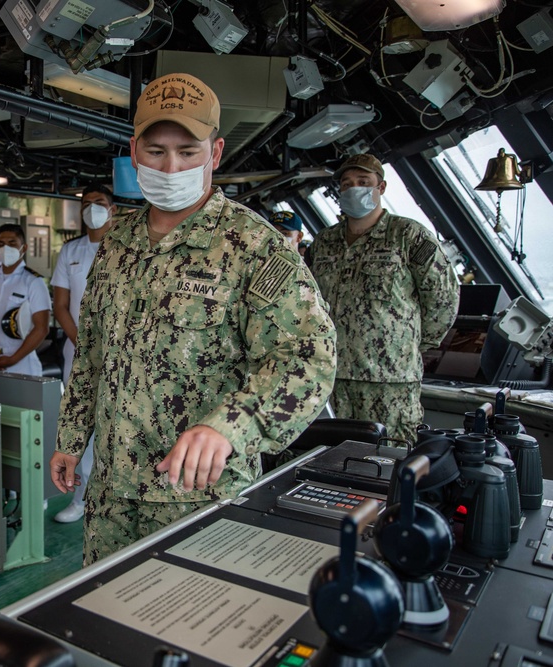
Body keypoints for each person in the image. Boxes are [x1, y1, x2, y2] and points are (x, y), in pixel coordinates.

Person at [50, 72, 337, 565]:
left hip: (198, 497)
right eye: (157, 151)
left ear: (216, 153)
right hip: (113, 492)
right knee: (107, 622)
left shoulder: (251, 246)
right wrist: (72, 440)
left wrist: (230, 427)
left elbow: (310, 358)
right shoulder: (116, 244)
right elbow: (92, 353)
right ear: (135, 151)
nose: (171, 165)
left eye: (187, 152)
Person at [309, 153, 459, 444]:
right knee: (328, 456)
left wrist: (408, 346)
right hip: (331, 375)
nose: (354, 188)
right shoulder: (324, 243)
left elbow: (443, 299)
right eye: (346, 183)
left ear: (381, 187)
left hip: (390, 379)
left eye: (363, 182)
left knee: (390, 458)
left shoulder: (408, 236)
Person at [48, 182, 117, 524]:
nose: (93, 209)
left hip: (120, 354)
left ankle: (112, 496)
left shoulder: (123, 247)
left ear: (113, 209)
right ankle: (80, 498)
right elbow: (60, 306)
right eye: (87, 204)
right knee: (78, 423)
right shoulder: (70, 252)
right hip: (77, 353)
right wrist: (84, 343)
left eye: (100, 203)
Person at [0, 223, 51, 376]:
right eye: (0, 244)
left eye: (12, 243)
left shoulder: (33, 281)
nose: (5, 248)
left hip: (22, 362)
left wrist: (13, 359)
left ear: (24, 248)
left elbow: (42, 328)